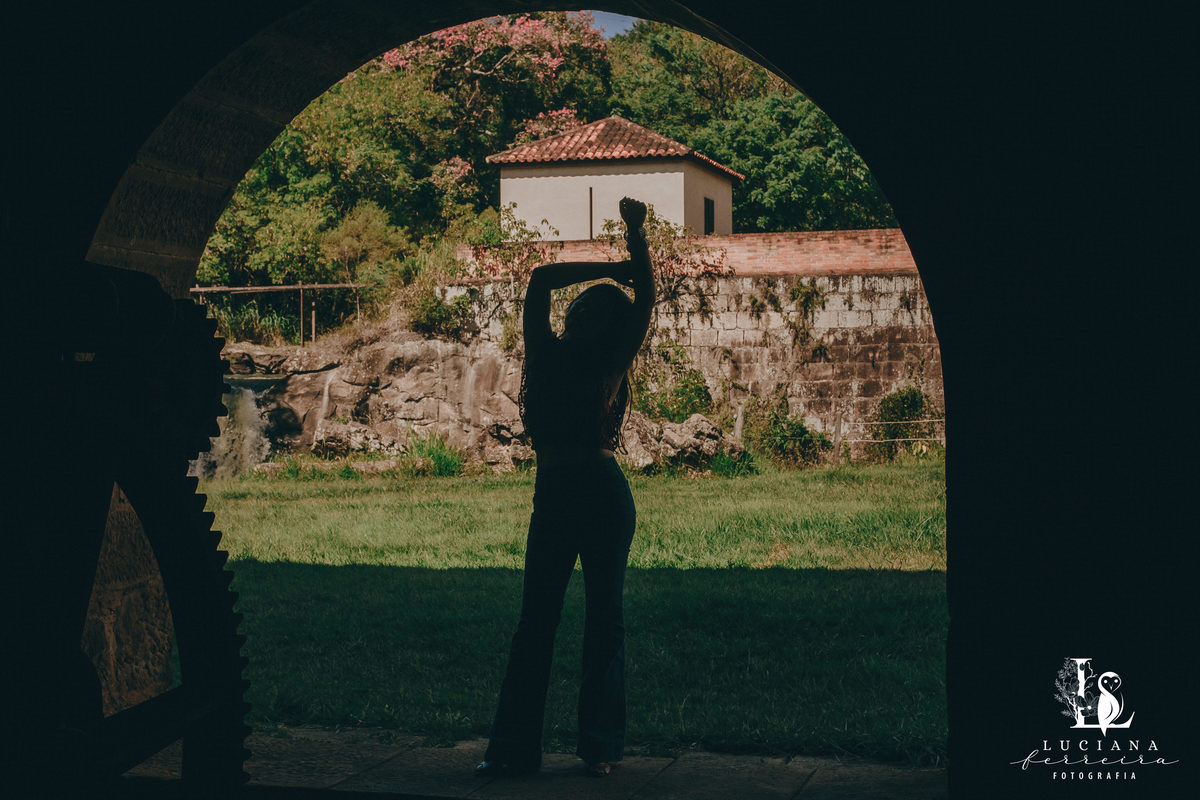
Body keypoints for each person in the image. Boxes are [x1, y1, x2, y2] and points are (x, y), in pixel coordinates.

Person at [476, 197, 655, 779]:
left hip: (580, 491)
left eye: (584, 307)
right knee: (556, 621)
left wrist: (633, 246)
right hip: (579, 492)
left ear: (592, 320)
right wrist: (618, 262)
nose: (573, 310)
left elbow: (631, 297)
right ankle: (553, 749)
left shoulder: (587, 358)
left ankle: (557, 748)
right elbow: (541, 279)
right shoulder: (566, 354)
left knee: (579, 621)